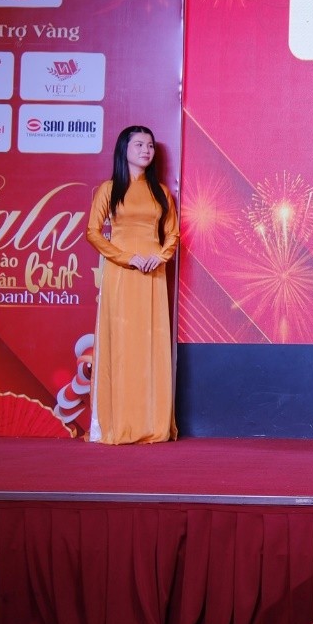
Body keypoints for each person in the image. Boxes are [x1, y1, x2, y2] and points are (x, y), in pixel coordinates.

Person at [85, 125, 180, 444]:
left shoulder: (161, 192)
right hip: (121, 273)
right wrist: (127, 258)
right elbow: (93, 232)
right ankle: (117, 422)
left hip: (153, 274)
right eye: (138, 144)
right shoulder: (109, 189)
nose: (146, 150)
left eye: (150, 145)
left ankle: (152, 424)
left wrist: (160, 256)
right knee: (121, 343)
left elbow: (172, 233)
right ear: (123, 149)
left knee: (151, 345)